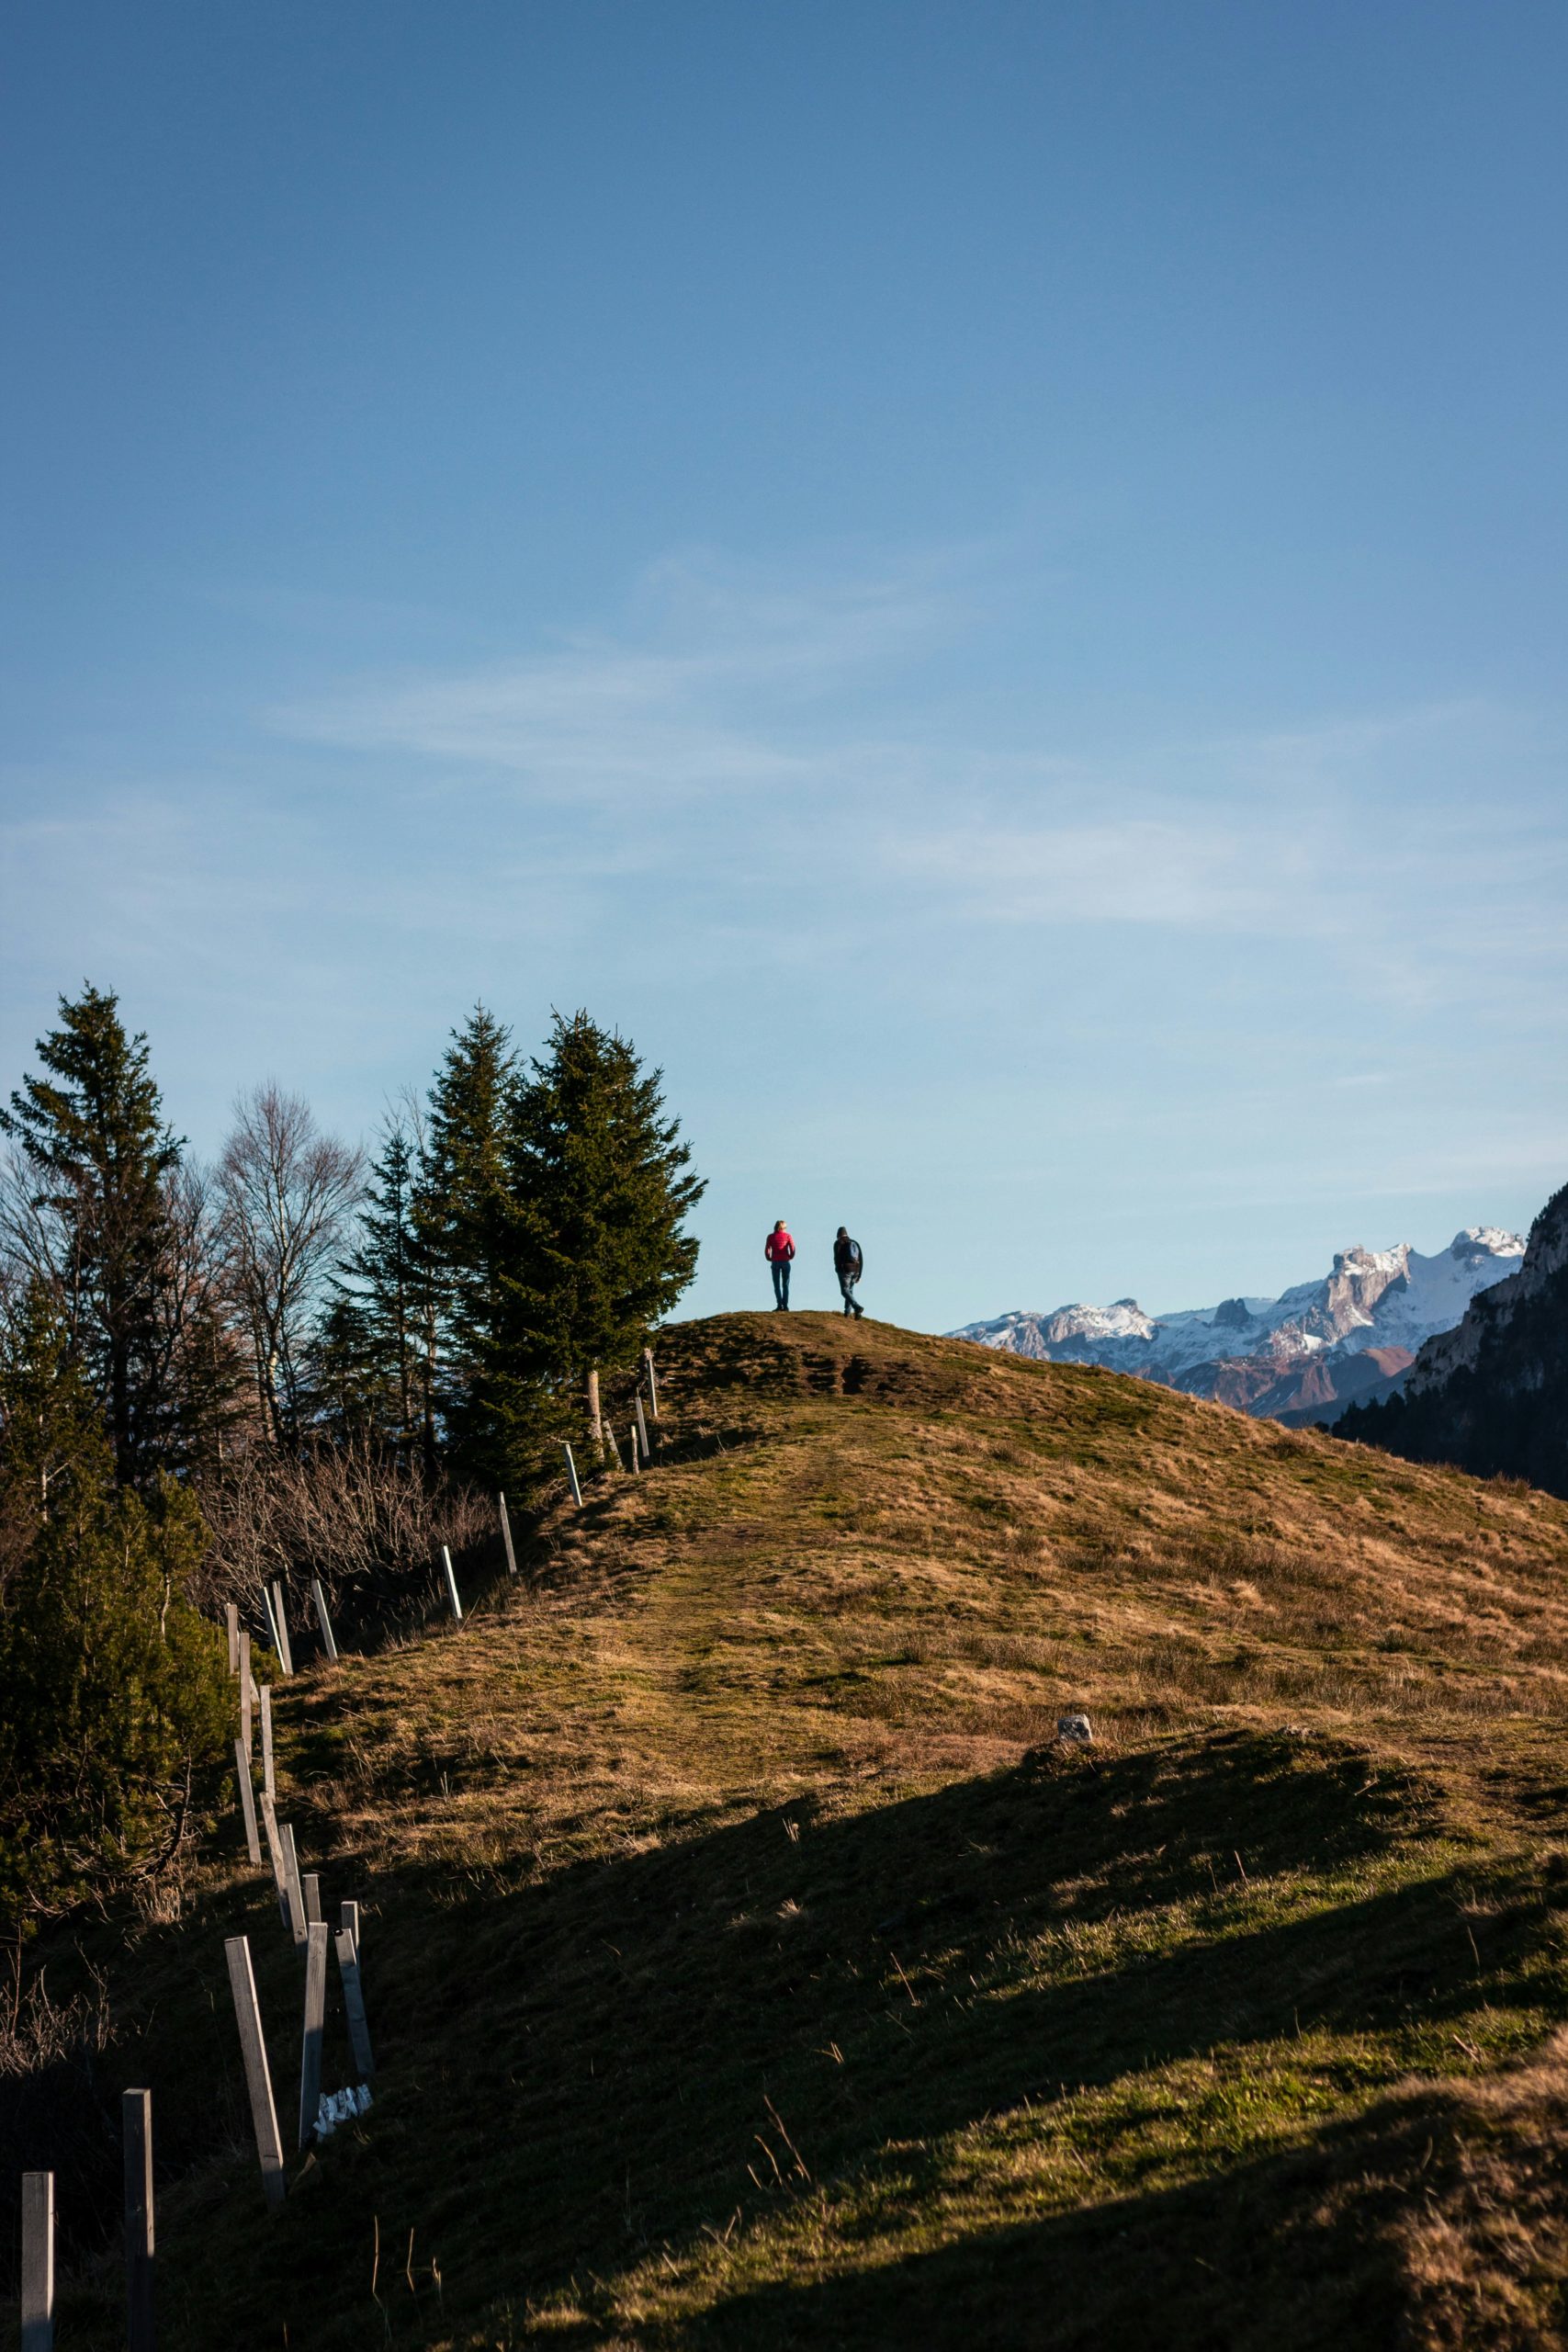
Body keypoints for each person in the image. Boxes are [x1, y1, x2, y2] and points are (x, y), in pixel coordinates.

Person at [833, 1227, 864, 1317]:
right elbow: (861, 1259)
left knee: (844, 1291)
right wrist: (859, 1275)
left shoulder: (838, 1243)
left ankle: (857, 1307)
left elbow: (837, 1258)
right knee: (849, 1291)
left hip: (845, 1270)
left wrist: (837, 1268)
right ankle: (848, 1313)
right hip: (856, 1270)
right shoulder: (855, 1243)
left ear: (838, 1235)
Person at [765, 1218, 795, 1308]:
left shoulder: (770, 1237)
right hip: (786, 1261)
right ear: (784, 1227)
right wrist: (790, 1256)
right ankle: (785, 1305)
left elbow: (767, 1249)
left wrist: (769, 1258)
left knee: (776, 1285)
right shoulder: (788, 1236)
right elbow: (792, 1248)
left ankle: (779, 1305)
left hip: (775, 1261)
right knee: (785, 1285)